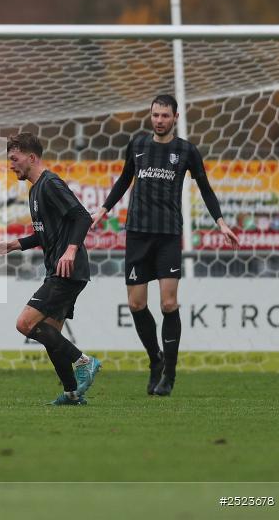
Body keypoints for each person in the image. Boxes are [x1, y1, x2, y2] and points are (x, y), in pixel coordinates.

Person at [90, 94, 239, 396]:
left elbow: (206, 189)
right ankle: (155, 361)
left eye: (164, 116)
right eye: (155, 115)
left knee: (168, 303)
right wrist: (103, 210)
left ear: (175, 117)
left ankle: (169, 374)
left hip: (168, 235)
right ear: (151, 116)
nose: (159, 120)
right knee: (136, 304)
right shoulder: (137, 145)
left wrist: (221, 222)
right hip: (137, 234)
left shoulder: (186, 151)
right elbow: (124, 180)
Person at [0, 132, 101, 405]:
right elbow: (47, 234)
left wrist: (72, 249)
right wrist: (16, 244)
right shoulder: (34, 189)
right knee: (51, 333)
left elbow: (82, 217)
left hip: (68, 270)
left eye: (14, 159)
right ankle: (72, 393)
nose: (11, 165)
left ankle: (83, 361)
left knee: (25, 323)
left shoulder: (50, 183)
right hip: (60, 269)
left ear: (31, 157)